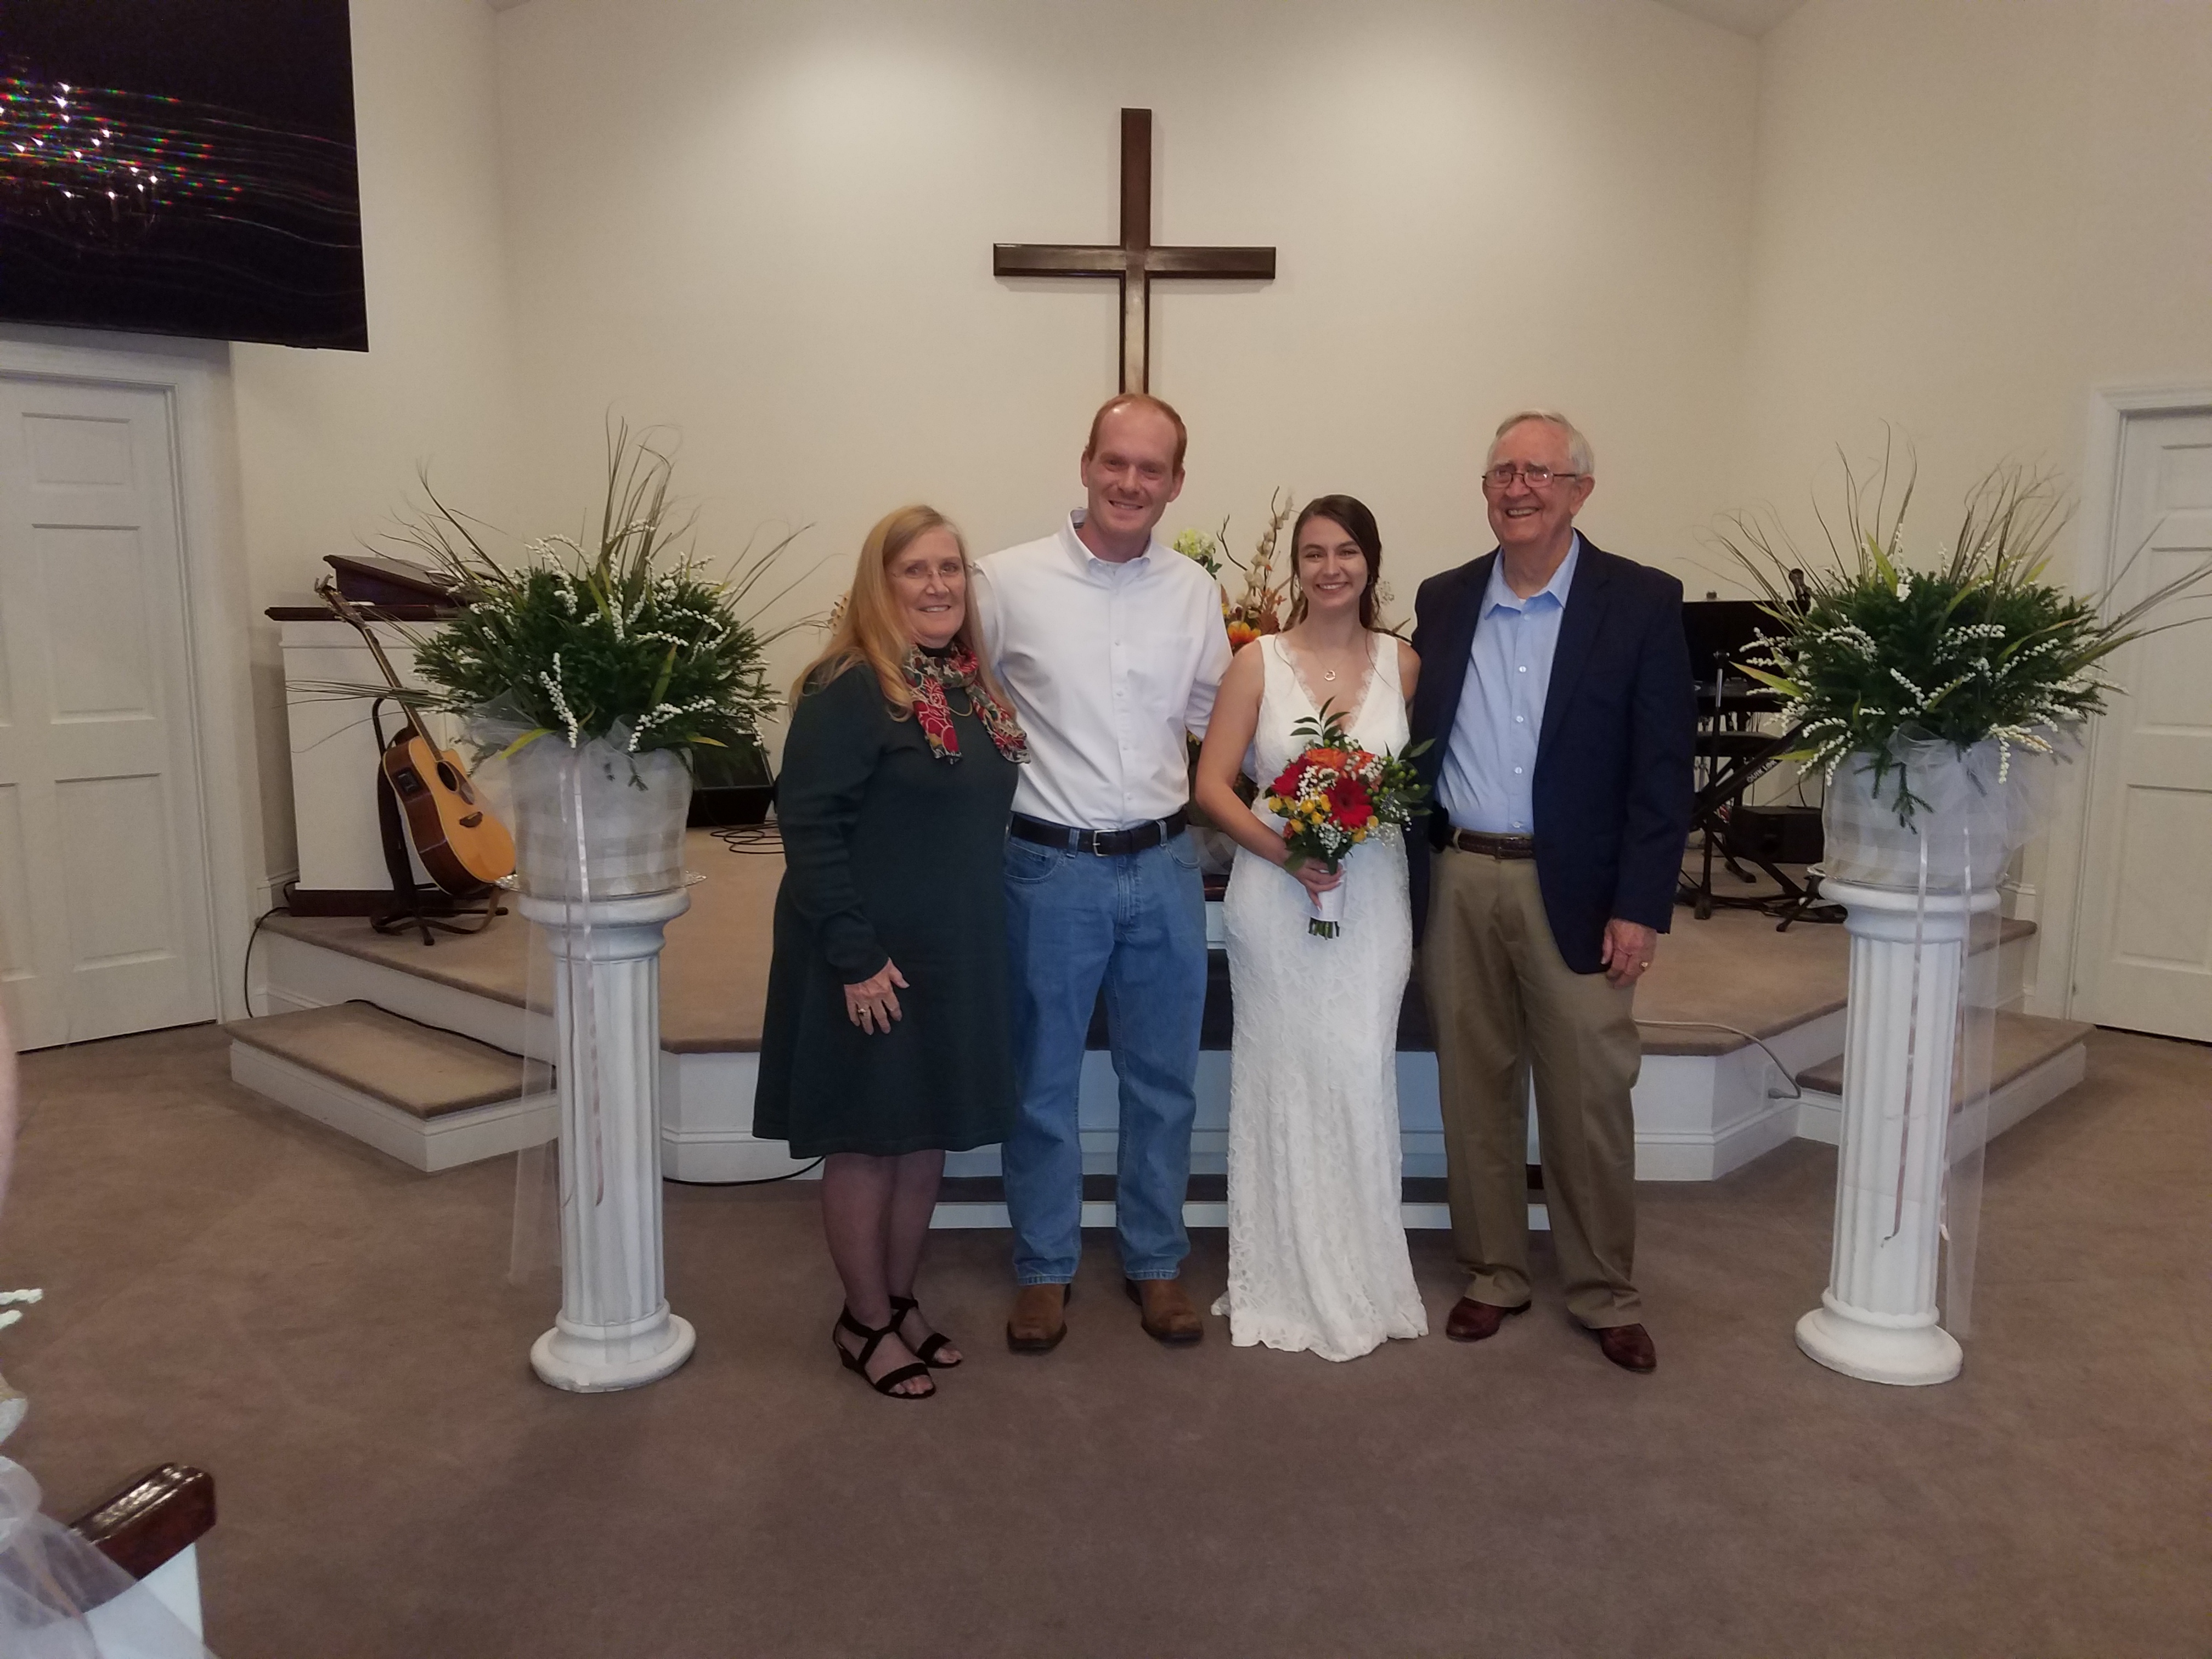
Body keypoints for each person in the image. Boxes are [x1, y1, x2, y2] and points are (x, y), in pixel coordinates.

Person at [1407, 411, 1693, 1374]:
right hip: (1458, 877)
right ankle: (1493, 1272)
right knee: (1473, 1088)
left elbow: (1663, 771)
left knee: (1588, 1098)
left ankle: (1605, 1290)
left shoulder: (1641, 601)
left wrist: (1641, 904)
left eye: (1539, 472)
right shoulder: (1445, 599)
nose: (1518, 488)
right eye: (1503, 472)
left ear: (1580, 492)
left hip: (1580, 887)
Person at [972, 393, 1232, 1353]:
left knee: (1163, 1081)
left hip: (1163, 866)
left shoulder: (1194, 591)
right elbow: (959, 700)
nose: (1130, 482)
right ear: (1085, 464)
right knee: (1039, 1081)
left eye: (1151, 468)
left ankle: (1155, 1260)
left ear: (1175, 483)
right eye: (1115, 462)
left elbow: (1221, 720)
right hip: (1049, 868)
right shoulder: (1005, 583)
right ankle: (1044, 1267)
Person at [753, 505, 1030, 1400]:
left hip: (951, 949)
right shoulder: (847, 686)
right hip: (869, 954)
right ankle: (863, 1321)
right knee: (867, 1141)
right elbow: (810, 826)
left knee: (923, 1136)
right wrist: (853, 953)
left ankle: (899, 1299)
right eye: (915, 569)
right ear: (880, 584)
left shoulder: (969, 687)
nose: (938, 585)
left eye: (950, 568)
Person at [1193, 495, 1429, 1361]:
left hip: (1372, 900)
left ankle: (1365, 1271)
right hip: (1274, 895)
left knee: (1360, 1070)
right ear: (1296, 568)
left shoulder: (1404, 664)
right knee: (1286, 1075)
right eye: (1314, 553)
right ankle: (1284, 1276)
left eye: (1347, 552)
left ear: (1371, 561)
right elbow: (1211, 786)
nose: (1331, 568)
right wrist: (1286, 852)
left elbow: (1403, 786)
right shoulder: (1256, 663)